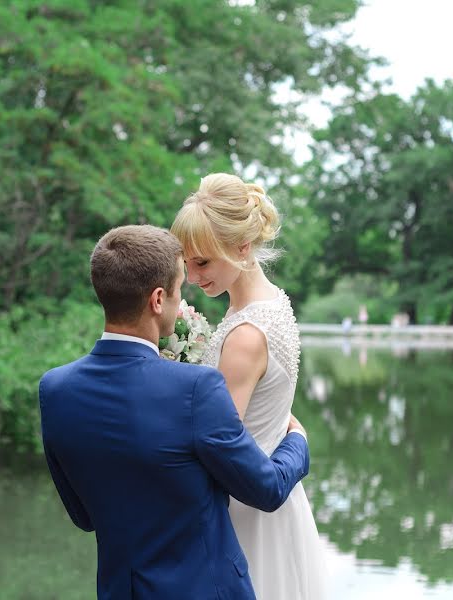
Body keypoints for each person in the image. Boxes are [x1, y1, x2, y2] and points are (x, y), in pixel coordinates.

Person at [38, 224, 311, 600]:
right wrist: (297, 440)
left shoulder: (55, 390)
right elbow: (266, 489)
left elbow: (84, 516)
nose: (184, 296)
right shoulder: (196, 389)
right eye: (181, 286)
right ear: (157, 300)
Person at [171, 173, 327, 600]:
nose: (191, 276)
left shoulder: (245, 336)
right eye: (187, 262)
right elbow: (275, 406)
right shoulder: (272, 302)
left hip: (247, 510)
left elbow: (218, 447)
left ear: (242, 248)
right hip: (277, 493)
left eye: (202, 262)